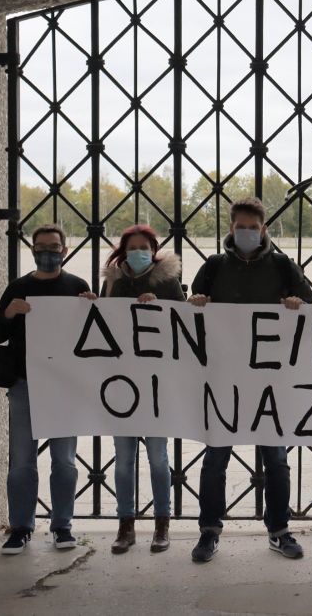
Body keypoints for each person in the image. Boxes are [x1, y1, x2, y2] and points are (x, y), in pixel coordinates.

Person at [187, 197, 312, 563]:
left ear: (264, 229)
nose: (246, 232)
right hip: (223, 380)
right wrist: (195, 301)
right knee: (215, 461)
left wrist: (296, 304)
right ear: (231, 228)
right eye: (240, 226)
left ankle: (279, 530)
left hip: (269, 381)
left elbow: (311, 311)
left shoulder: (282, 265)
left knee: (275, 460)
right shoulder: (214, 267)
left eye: (253, 227)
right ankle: (209, 532)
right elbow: (186, 317)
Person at [0, 225, 92, 555]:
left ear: (64, 249)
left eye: (54, 247)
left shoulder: (77, 286)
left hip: (63, 387)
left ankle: (62, 526)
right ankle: (21, 527)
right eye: (41, 247)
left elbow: (92, 334)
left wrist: (92, 307)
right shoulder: (19, 287)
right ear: (32, 249)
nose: (47, 252)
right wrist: (8, 312)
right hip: (24, 384)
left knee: (64, 461)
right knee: (21, 461)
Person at [99, 225, 184, 554]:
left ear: (154, 249)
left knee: (158, 458)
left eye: (143, 247)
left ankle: (162, 524)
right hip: (122, 384)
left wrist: (159, 307)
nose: (138, 253)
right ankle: (126, 525)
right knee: (123, 461)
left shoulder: (167, 282)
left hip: (156, 385)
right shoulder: (114, 282)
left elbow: (184, 326)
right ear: (123, 251)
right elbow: (103, 324)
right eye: (131, 247)